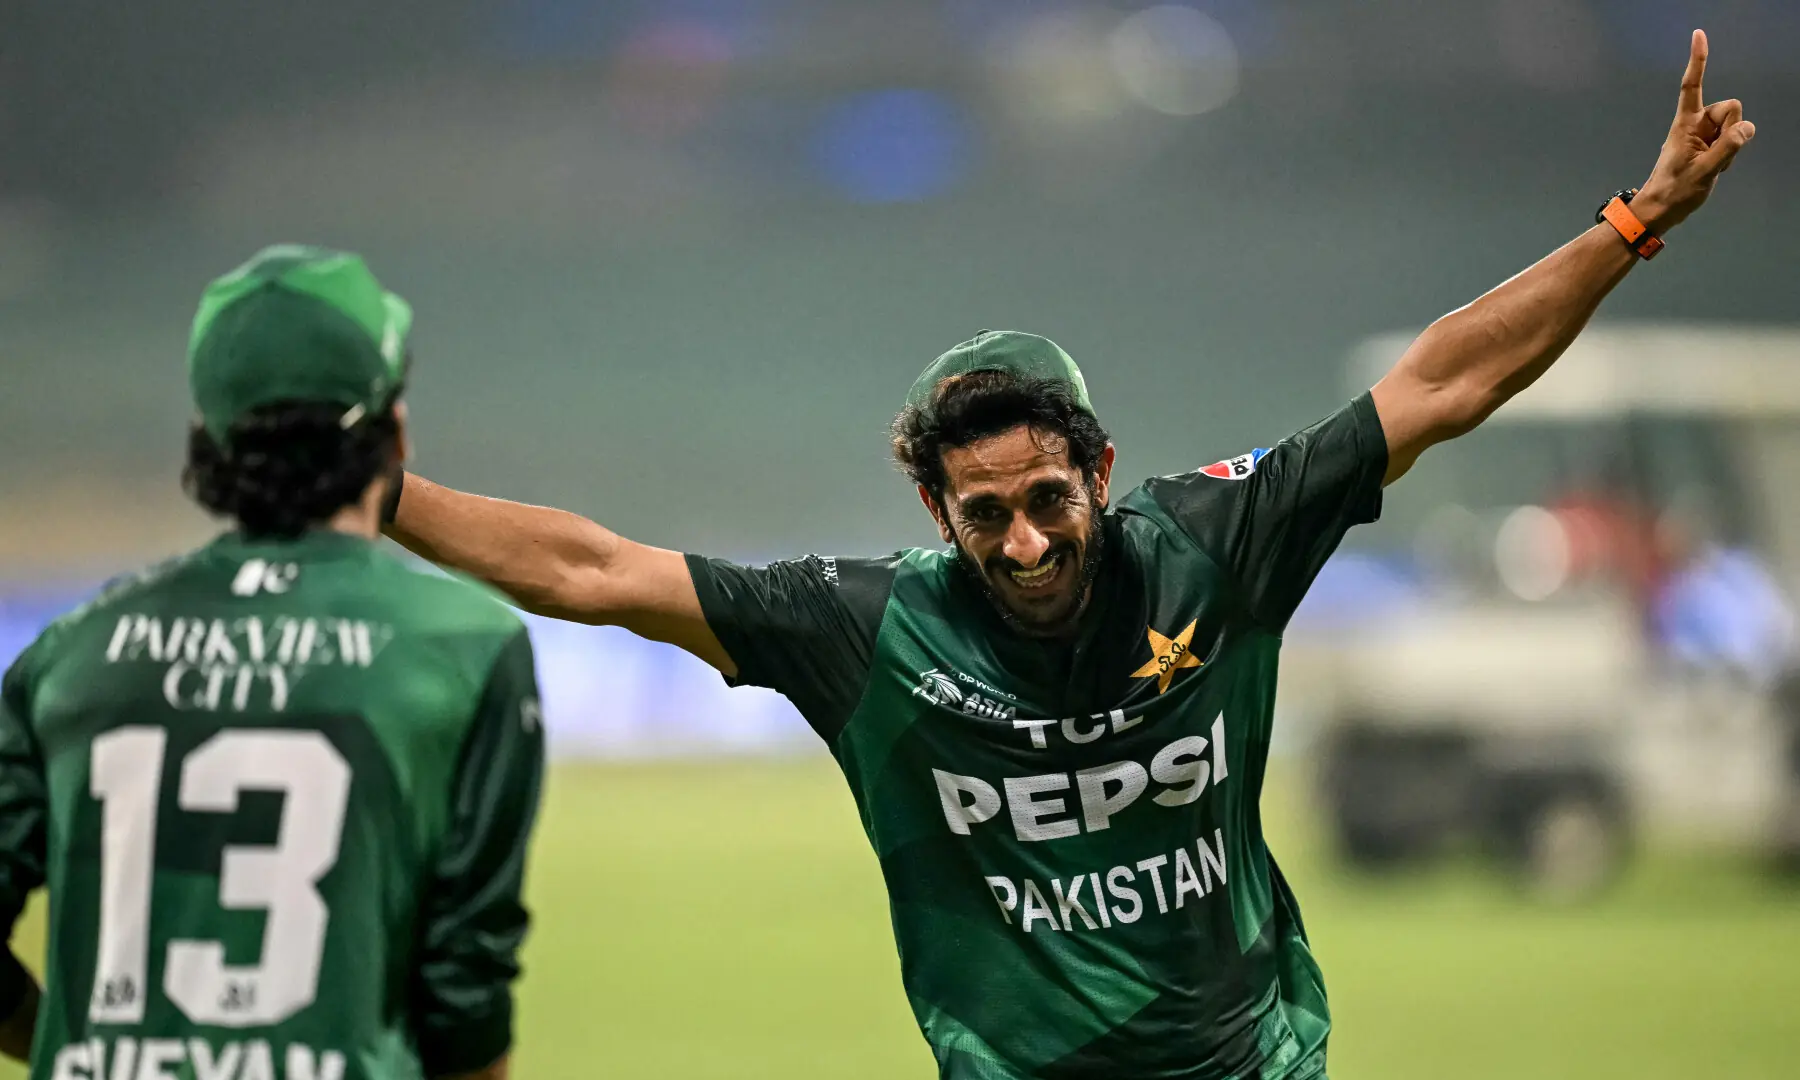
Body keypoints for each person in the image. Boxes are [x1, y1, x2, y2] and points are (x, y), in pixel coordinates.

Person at [386, 32, 1753, 1080]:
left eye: (1049, 497)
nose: (1025, 540)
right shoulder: (865, 630)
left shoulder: (1217, 540)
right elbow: (591, 572)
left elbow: (1441, 387)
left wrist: (1631, 224)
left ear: (1101, 471)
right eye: (985, 515)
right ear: (937, 513)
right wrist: (375, 490)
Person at [0, 247, 545, 1080]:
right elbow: (464, 993)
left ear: (207, 440)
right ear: (394, 433)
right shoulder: (466, 649)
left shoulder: (72, 650)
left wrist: (53, 1041)